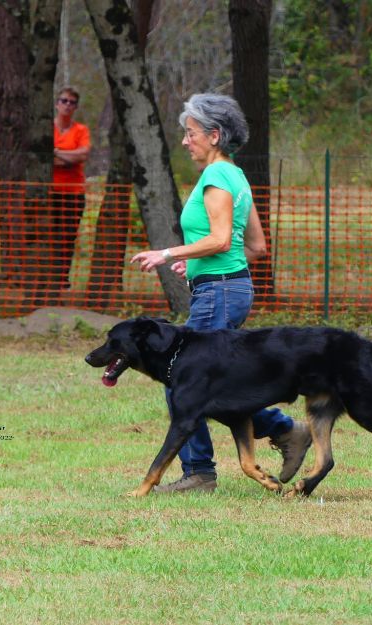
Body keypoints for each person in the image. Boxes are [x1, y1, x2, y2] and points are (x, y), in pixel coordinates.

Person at [130, 93, 311, 493]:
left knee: (184, 382)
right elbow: (255, 247)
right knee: (215, 383)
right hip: (229, 287)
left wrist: (168, 253)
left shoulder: (215, 178)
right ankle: (285, 430)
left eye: (190, 132)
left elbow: (220, 239)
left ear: (214, 135)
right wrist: (195, 264)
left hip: (219, 293)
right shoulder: (236, 176)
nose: (185, 141)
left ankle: (200, 472)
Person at [45, 86, 90, 302]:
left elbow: (82, 155)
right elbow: (45, 158)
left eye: (72, 102)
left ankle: (62, 278)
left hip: (73, 193)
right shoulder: (47, 128)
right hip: (50, 193)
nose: (67, 105)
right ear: (57, 104)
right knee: (49, 235)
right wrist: (66, 157)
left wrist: (56, 153)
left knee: (67, 237)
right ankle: (47, 277)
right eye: (64, 101)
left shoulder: (80, 130)